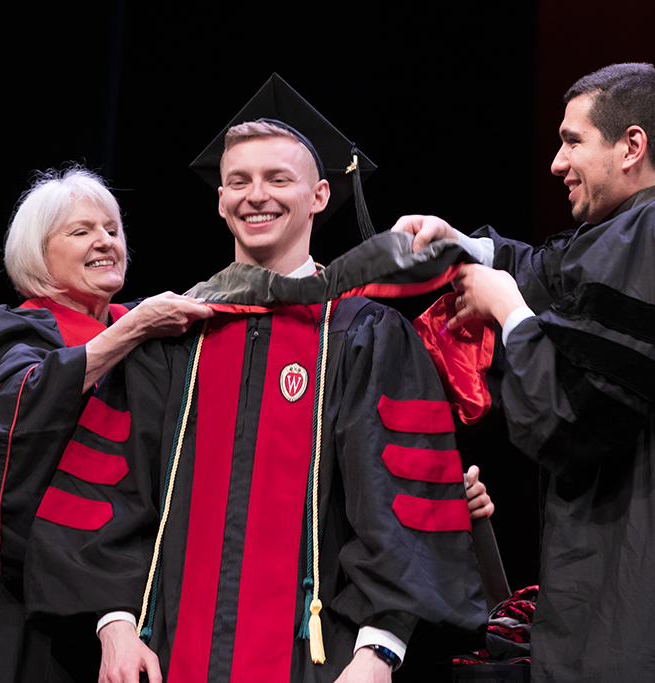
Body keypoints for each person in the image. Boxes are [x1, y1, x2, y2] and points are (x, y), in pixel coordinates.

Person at [24, 76, 492, 683]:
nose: (256, 196)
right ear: (220, 199)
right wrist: (114, 626)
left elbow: (396, 509)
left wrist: (378, 653)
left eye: (278, 179)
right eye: (239, 181)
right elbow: (111, 492)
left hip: (324, 660)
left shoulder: (362, 333)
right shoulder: (173, 331)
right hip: (168, 654)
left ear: (321, 195)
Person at [394, 63, 655, 682]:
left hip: (653, 587)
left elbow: (574, 412)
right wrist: (464, 246)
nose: (557, 163)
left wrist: (507, 310)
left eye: (572, 140)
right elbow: (564, 274)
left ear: (632, 146)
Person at [0, 166, 214, 683]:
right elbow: (8, 428)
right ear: (37, 253)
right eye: (81, 231)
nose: (105, 242)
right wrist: (130, 331)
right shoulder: (20, 328)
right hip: (25, 611)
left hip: (128, 601)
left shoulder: (142, 333)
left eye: (113, 230)